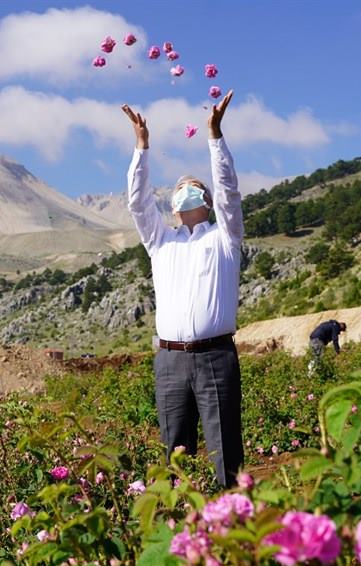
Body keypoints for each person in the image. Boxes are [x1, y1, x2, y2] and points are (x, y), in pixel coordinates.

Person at [122, 90, 243, 490]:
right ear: (173, 205)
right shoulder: (161, 241)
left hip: (215, 356)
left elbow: (229, 192)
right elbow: (138, 204)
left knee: (225, 449)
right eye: (180, 188)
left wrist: (214, 137)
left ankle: (235, 530)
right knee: (174, 452)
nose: (186, 189)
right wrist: (142, 148)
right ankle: (180, 531)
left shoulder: (224, 237)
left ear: (206, 201)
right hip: (170, 361)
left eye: (194, 186)